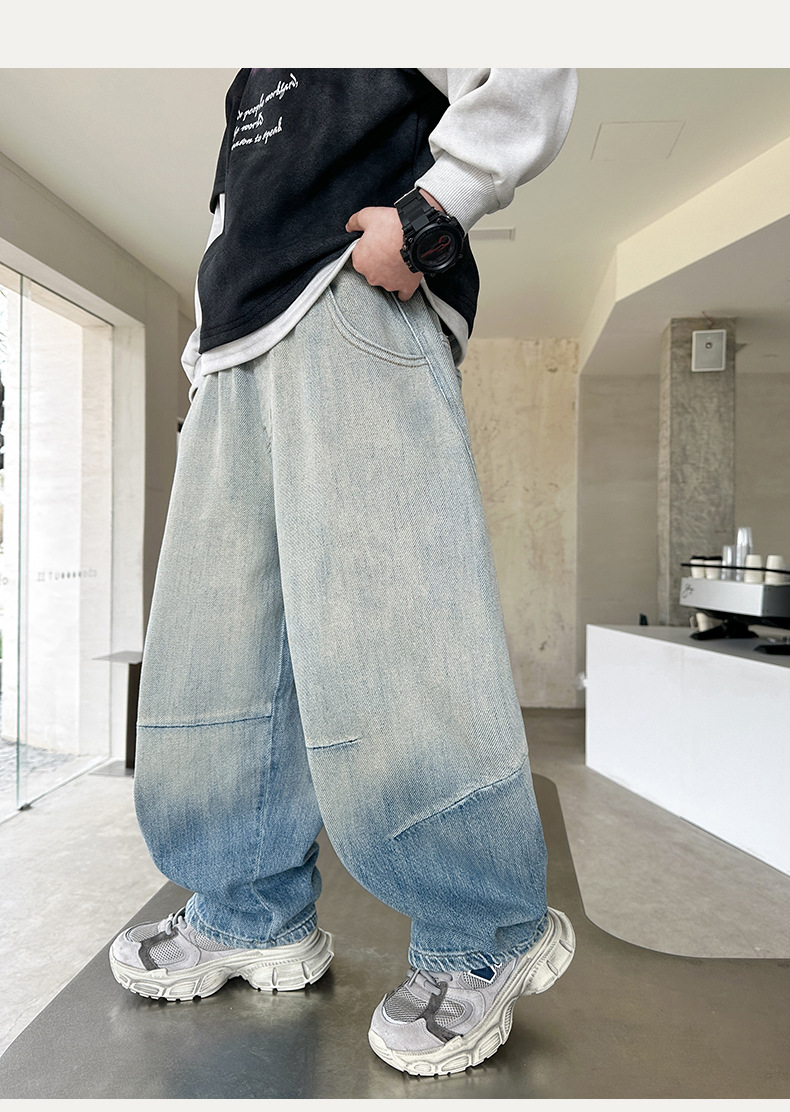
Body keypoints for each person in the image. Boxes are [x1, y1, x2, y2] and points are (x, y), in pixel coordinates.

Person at [109, 67, 579, 1077]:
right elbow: (233, 224)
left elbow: (529, 52)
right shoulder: (247, 81)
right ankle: (250, 908)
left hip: (347, 294)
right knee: (219, 648)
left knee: (392, 626)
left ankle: (481, 927)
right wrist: (205, 356)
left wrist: (433, 212)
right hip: (234, 353)